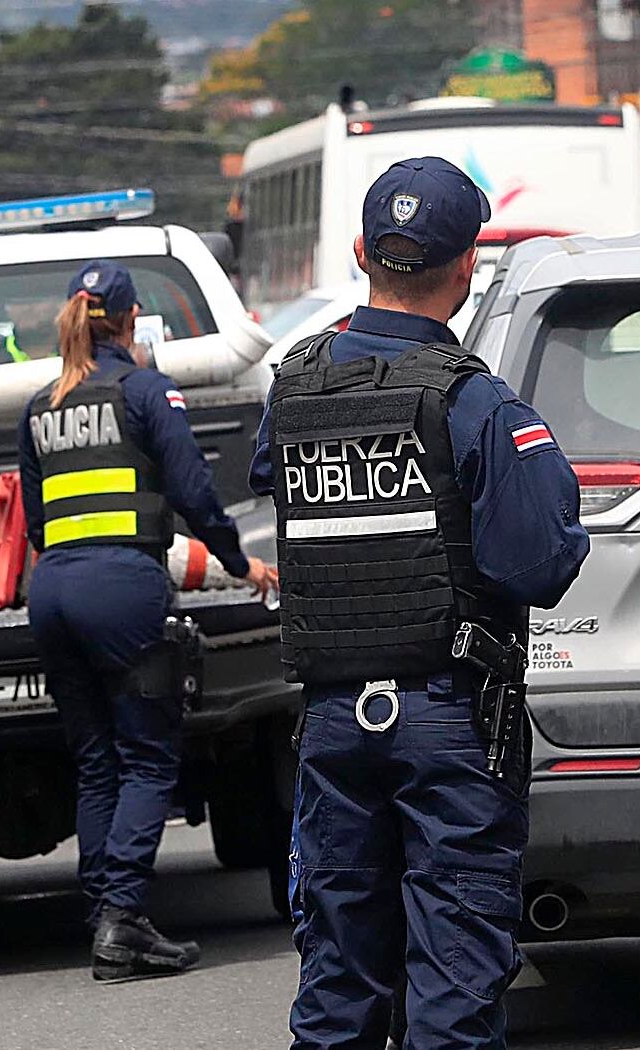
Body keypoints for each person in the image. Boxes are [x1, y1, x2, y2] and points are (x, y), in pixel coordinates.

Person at [251, 157, 590, 1050]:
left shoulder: (294, 385)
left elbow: (274, 485)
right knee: (453, 980)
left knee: (337, 976)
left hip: (331, 718)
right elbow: (540, 564)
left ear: (364, 252)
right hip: (448, 720)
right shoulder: (473, 400)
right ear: (466, 266)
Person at [19, 259, 277, 981]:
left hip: (55, 591)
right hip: (121, 589)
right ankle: (124, 919)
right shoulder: (143, 391)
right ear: (132, 323)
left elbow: (38, 523)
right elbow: (194, 488)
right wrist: (236, 561)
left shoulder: (42, 404)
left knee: (96, 761)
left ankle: (103, 910)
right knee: (148, 758)